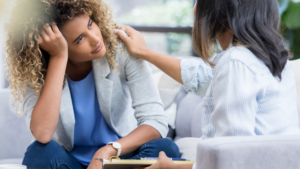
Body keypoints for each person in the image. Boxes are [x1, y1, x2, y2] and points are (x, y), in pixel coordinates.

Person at [114, 0, 300, 168]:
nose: (195, 8)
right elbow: (202, 78)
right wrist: (144, 52)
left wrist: (173, 168)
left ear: (222, 10)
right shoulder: (274, 60)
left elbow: (232, 157)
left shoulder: (236, 62)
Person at [5, 0, 180, 168]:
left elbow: (155, 120)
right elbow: (42, 134)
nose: (96, 39)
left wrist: (109, 150)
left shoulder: (121, 49)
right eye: (80, 39)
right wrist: (59, 58)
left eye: (90, 24)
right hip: (69, 162)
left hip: (119, 157)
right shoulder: (36, 69)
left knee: (165, 148)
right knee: (39, 153)